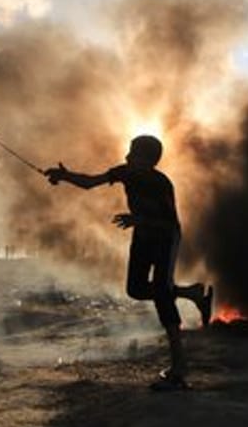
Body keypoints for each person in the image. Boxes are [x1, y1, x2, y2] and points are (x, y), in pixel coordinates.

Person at [45, 135, 213, 390]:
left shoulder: (160, 183)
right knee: (135, 289)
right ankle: (193, 293)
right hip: (143, 237)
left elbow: (169, 222)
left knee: (162, 295)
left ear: (148, 160)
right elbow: (91, 183)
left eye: (133, 153)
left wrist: (139, 220)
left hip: (164, 238)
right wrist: (65, 176)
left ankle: (179, 369)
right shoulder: (125, 172)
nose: (127, 157)